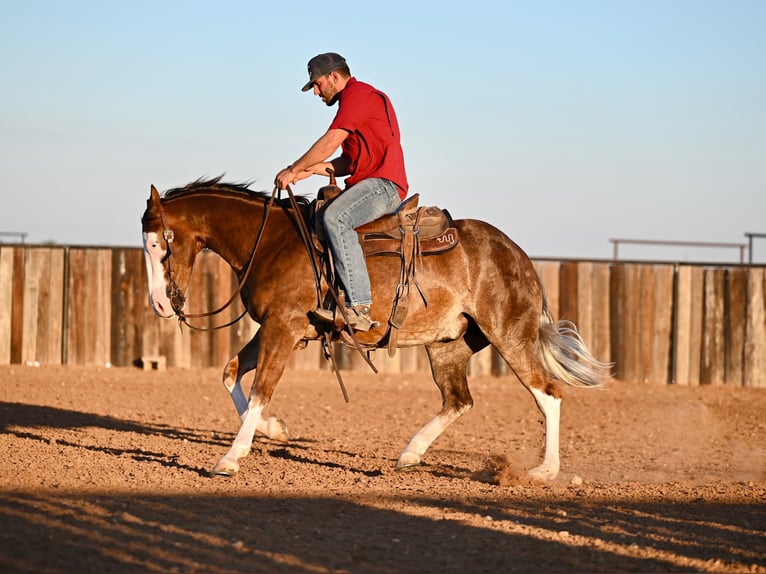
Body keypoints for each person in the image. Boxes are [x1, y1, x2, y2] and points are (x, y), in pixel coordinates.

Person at [275, 53, 409, 332]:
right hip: (368, 182)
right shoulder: (353, 103)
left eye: (317, 84)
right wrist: (312, 170)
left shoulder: (359, 95)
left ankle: (358, 307)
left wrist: (293, 168)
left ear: (334, 76)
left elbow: (330, 142)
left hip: (385, 185)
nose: (315, 91)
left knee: (336, 217)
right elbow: (348, 162)